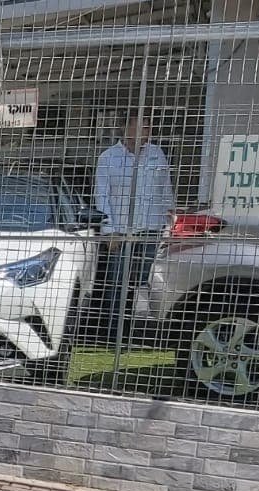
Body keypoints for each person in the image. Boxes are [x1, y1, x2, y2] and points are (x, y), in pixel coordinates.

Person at [93, 112, 174, 342]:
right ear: (126, 129)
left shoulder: (157, 154)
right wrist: (109, 231)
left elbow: (165, 189)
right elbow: (102, 196)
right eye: (141, 127)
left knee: (143, 281)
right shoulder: (108, 158)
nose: (146, 133)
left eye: (148, 128)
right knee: (118, 282)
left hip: (151, 226)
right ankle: (112, 333)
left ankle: (138, 330)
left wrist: (170, 219)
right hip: (122, 230)